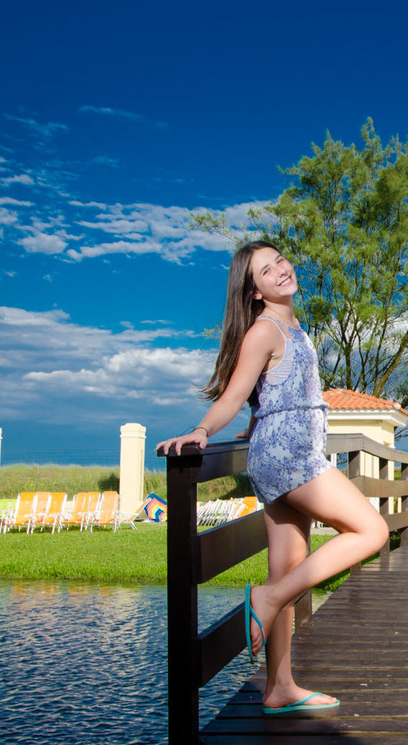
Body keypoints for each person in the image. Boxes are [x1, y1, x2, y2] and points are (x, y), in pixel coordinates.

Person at [156, 241, 389, 716]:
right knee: (371, 529)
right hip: (290, 457)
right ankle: (269, 599)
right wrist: (202, 430)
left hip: (281, 450)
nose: (281, 270)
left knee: (287, 566)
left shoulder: (293, 325)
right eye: (267, 270)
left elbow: (274, 390)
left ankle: (278, 686)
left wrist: (261, 416)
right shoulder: (263, 330)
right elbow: (232, 392)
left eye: (281, 260)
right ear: (256, 291)